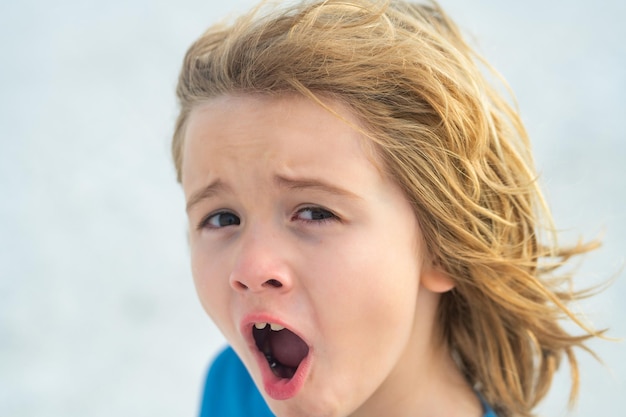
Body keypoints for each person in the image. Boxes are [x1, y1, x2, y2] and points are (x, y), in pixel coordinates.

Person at [171, 1, 604, 416]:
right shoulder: (231, 388)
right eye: (222, 218)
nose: (249, 267)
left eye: (315, 212)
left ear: (443, 244)